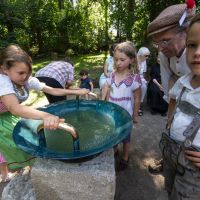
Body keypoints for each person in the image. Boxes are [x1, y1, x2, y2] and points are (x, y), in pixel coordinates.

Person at [0, 44, 89, 182]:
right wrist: (46, 116)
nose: (25, 77)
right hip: (5, 115)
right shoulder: (2, 81)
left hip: (7, 113)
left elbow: (52, 90)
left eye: (28, 72)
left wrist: (76, 91)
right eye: (21, 73)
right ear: (5, 69)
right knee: (8, 145)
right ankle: (6, 174)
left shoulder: (25, 79)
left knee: (22, 139)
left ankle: (19, 169)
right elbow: (15, 108)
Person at [147, 3, 195, 174]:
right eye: (157, 43)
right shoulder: (164, 54)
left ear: (186, 33)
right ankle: (168, 157)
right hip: (179, 95)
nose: (160, 48)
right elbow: (169, 88)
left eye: (165, 41)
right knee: (171, 130)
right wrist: (170, 117)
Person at [158, 12, 200, 199]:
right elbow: (173, 97)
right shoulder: (183, 81)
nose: (197, 52)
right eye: (192, 45)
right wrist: (169, 119)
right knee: (170, 189)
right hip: (171, 154)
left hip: (193, 170)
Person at [101, 41, 141, 170]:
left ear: (132, 60)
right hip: (112, 114)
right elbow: (107, 88)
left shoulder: (134, 78)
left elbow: (137, 98)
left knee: (126, 137)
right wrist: (105, 103)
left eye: (122, 60)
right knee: (113, 132)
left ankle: (125, 157)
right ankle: (115, 150)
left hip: (126, 115)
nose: (118, 63)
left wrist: (135, 115)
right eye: (116, 59)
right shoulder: (112, 75)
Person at [137, 47, 150, 116]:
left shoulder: (144, 61)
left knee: (144, 86)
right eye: (146, 56)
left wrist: (143, 80)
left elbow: (144, 73)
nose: (147, 57)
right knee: (137, 87)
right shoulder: (134, 60)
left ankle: (139, 104)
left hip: (140, 77)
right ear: (140, 55)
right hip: (133, 77)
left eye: (148, 56)